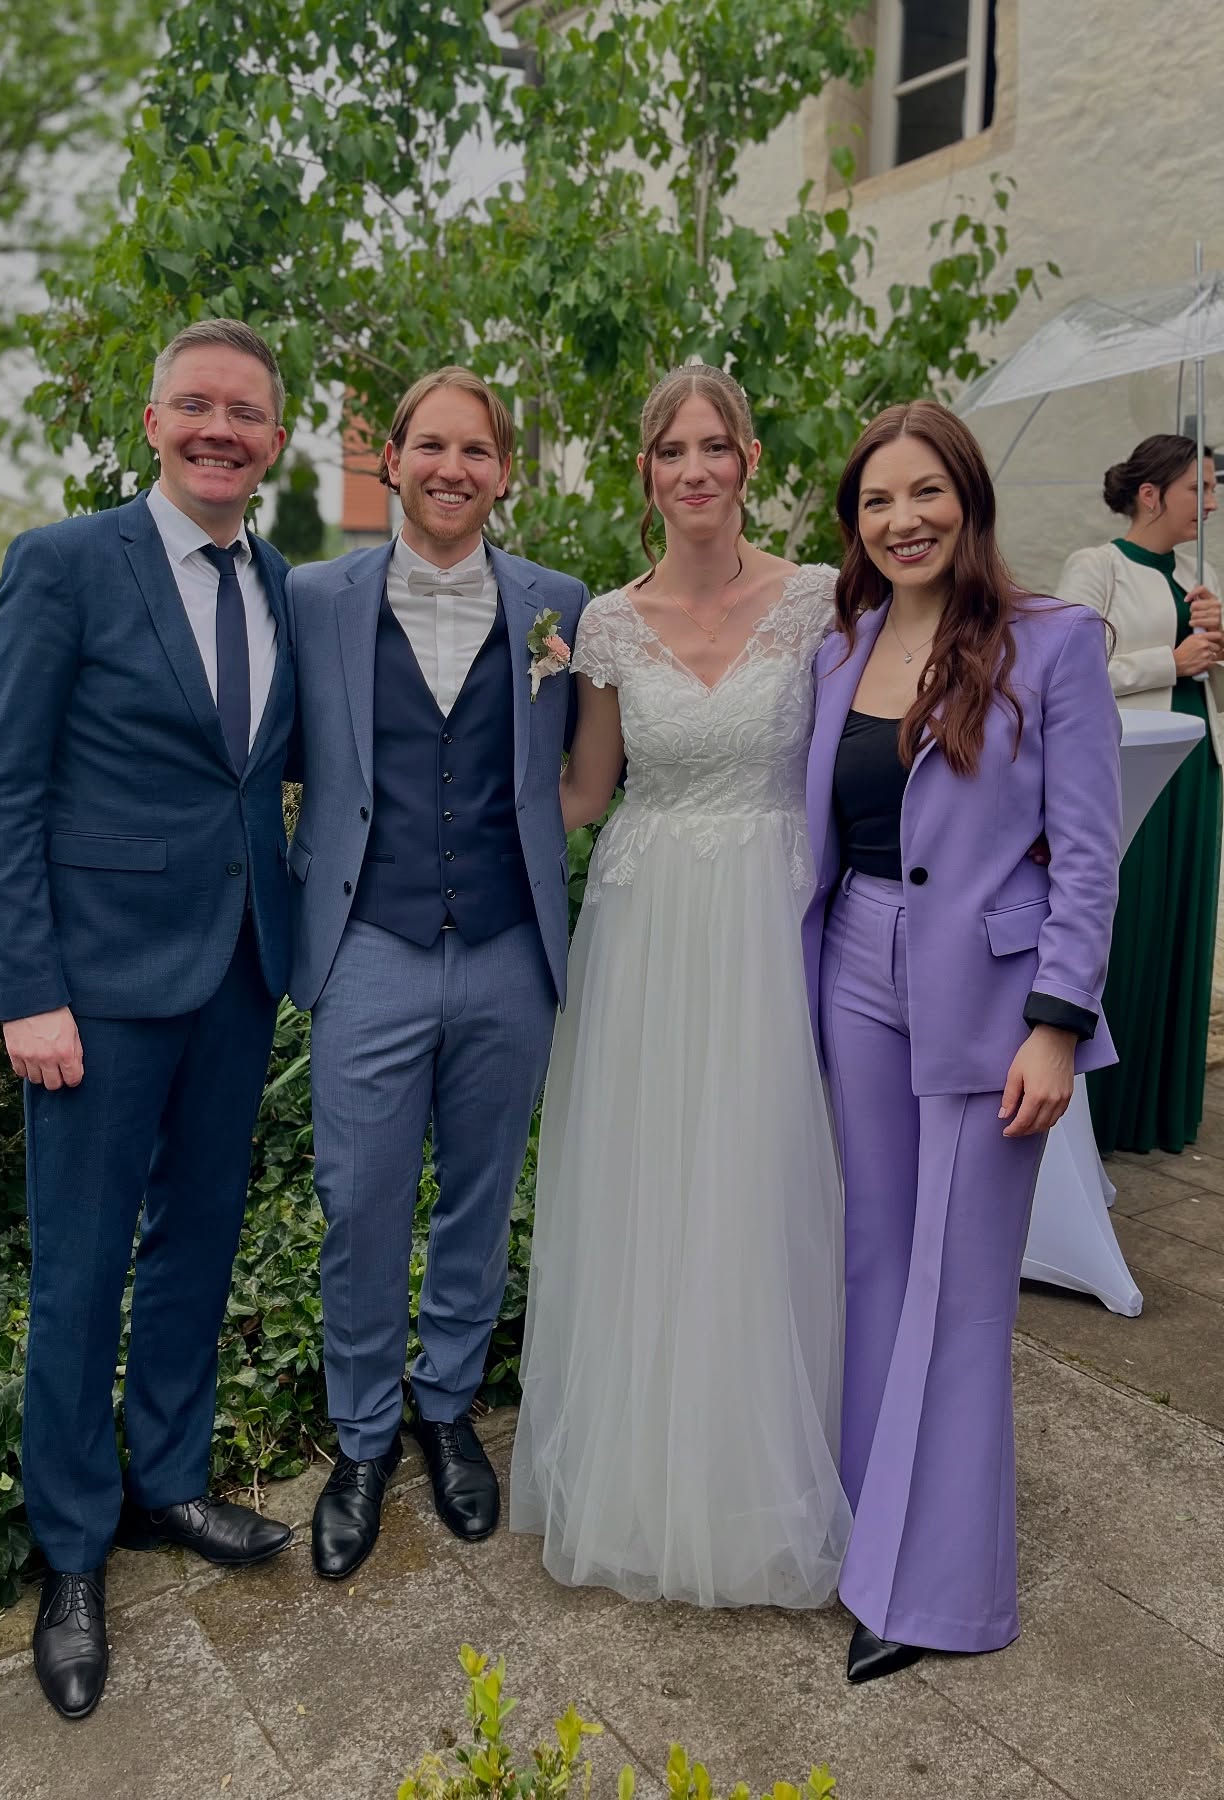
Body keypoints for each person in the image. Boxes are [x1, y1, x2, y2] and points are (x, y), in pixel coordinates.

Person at [0, 320, 297, 1721]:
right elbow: (3, 791)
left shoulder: (280, 578)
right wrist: (28, 989)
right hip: (93, 992)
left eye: (250, 414)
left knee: (195, 1251)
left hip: (234, 972)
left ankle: (168, 1482)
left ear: (274, 443)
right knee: (82, 1272)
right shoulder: (65, 565)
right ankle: (76, 1552)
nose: (223, 431)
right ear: (154, 421)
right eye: (200, 407)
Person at [509, 365, 851, 1608]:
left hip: (772, 910)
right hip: (647, 923)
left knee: (758, 1180)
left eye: (716, 446)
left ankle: (760, 1475)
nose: (695, 469)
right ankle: (644, 1477)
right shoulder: (603, 622)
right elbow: (588, 789)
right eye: (671, 451)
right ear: (644, 473)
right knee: (653, 1186)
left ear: (750, 458)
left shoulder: (820, 600)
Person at [803, 400, 1122, 1682]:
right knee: (874, 1263)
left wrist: (1056, 1026)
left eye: (925, 492)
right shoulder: (848, 641)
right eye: (878, 501)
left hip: (992, 997)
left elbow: (1091, 854)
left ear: (968, 499)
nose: (903, 519)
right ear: (856, 524)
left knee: (964, 1288)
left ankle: (936, 1590)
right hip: (852, 971)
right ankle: (863, 1528)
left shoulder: (1051, 643)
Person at [286, 368, 588, 1581]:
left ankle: (446, 1406)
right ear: (392, 459)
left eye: (478, 450)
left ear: (504, 470)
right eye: (430, 446)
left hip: (511, 948)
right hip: (370, 945)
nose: (452, 468)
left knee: (479, 1193)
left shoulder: (559, 606)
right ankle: (362, 1437)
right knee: (358, 1202)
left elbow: (583, 773)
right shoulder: (312, 596)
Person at [1057, 436, 1222, 1156]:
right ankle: (1104, 1113)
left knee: (1184, 924)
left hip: (1196, 770)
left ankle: (1161, 1110)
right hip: (1129, 769)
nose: (1211, 503)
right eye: (1199, 489)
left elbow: (1209, 680)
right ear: (1151, 494)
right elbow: (1067, 666)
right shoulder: (1096, 567)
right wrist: (1172, 658)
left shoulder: (1201, 573)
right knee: (1128, 928)